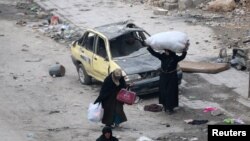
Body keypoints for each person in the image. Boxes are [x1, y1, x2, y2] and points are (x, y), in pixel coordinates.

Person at [147, 42, 189, 114]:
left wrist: (185, 49)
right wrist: (149, 47)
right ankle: (165, 106)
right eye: (165, 51)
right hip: (163, 76)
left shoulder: (175, 58)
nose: (165, 52)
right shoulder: (162, 57)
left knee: (170, 92)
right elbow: (154, 53)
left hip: (172, 77)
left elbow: (182, 56)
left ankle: (170, 108)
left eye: (166, 51)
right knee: (163, 91)